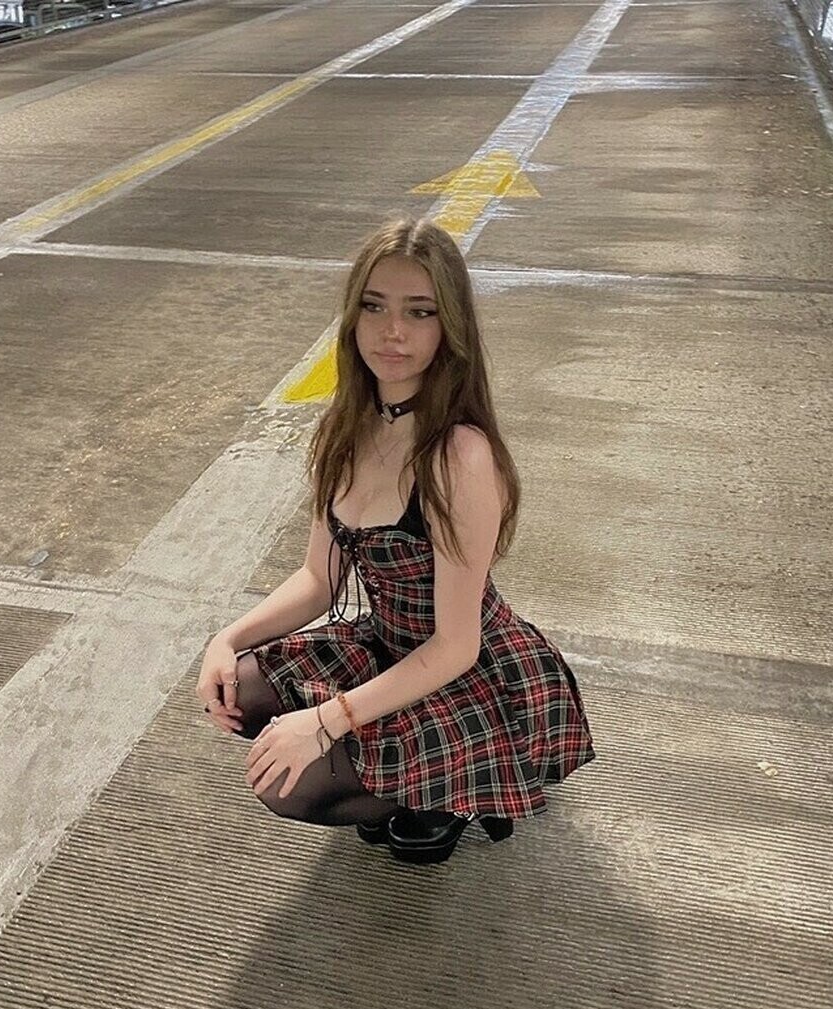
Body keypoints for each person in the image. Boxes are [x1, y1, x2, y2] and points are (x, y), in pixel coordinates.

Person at [196, 215, 595, 864]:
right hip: (386, 643)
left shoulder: (460, 456)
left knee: (294, 784)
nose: (393, 331)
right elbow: (318, 580)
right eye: (374, 306)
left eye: (419, 312)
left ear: (449, 327)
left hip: (467, 671)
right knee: (238, 689)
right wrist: (227, 639)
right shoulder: (346, 429)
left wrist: (322, 721)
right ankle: (394, 779)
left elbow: (456, 645)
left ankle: (440, 795)